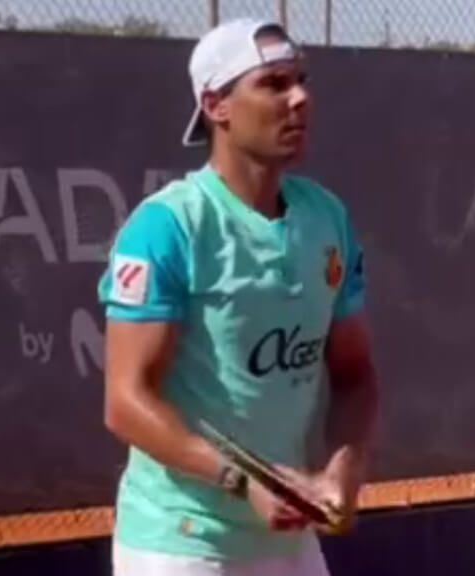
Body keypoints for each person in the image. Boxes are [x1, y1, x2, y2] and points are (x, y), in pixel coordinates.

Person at [97, 17, 379, 576]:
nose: (299, 98)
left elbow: (355, 375)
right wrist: (241, 481)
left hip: (288, 541)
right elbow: (125, 404)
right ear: (216, 105)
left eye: (301, 80)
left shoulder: (327, 218)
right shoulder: (167, 228)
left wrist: (341, 470)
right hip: (180, 542)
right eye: (273, 85)